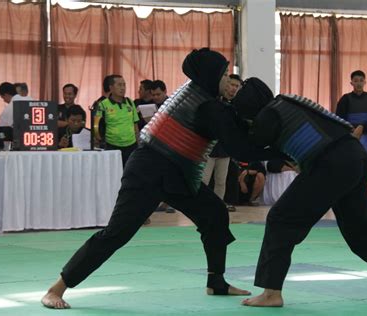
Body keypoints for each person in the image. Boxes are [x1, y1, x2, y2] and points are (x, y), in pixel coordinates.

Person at [41, 48, 281, 309]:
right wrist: (282, 149)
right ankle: (56, 289)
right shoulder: (208, 106)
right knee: (117, 233)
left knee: (214, 213)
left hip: (178, 173)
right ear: (212, 76)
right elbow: (240, 149)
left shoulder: (199, 94)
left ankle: (216, 282)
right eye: (224, 75)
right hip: (148, 170)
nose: (229, 82)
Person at [230, 77, 367, 307]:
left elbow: (246, 148)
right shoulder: (286, 101)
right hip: (354, 155)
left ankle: (271, 292)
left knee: (280, 219)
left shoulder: (268, 115)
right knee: (361, 232)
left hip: (330, 163)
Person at [203, 74, 244, 212]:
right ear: (225, 84)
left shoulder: (236, 106)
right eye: (231, 84)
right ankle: (199, 206)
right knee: (204, 180)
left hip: (225, 150)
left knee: (221, 181)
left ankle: (217, 206)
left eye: (236, 86)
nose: (233, 88)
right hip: (209, 149)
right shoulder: (213, 100)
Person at [93, 75, 140, 166]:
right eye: (119, 85)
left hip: (131, 146)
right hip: (112, 146)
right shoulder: (103, 105)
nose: (123, 88)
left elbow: (135, 125)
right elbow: (97, 127)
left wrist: (138, 145)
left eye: (124, 85)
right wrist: (98, 141)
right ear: (111, 87)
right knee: (114, 173)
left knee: (130, 174)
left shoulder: (130, 102)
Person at [336, 70, 367, 138]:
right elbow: (340, 119)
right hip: (351, 133)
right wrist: (353, 129)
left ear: (364, 82)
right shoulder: (345, 99)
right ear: (351, 83)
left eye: (361, 80)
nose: (359, 83)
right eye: (356, 81)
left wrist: (363, 127)